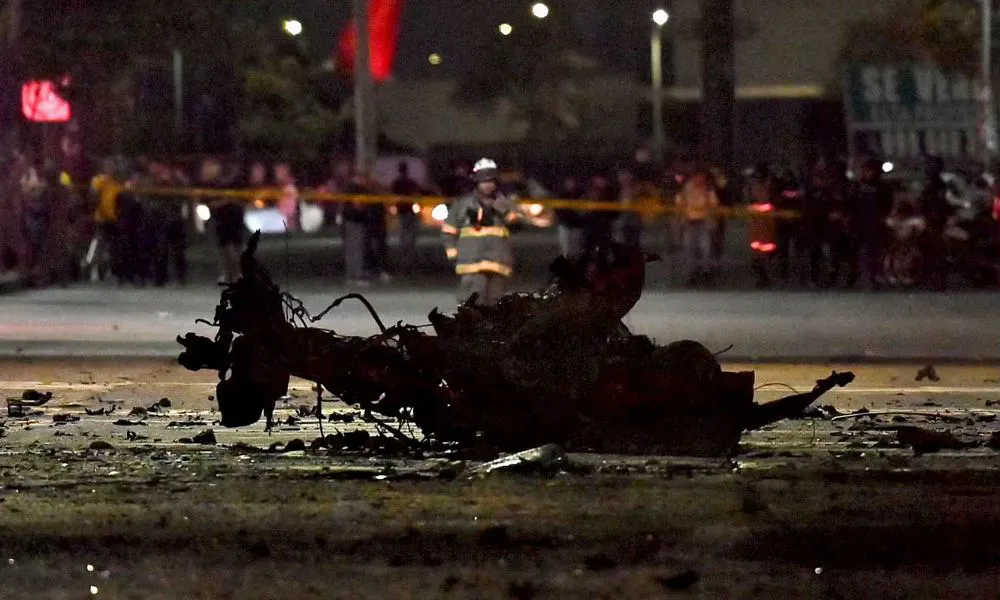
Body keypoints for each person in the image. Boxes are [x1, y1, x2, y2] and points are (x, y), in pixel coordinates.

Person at [442, 158, 520, 305]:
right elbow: (448, 229)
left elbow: (517, 225)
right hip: (472, 261)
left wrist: (503, 210)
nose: (488, 184)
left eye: (491, 181)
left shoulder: (505, 203)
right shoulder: (463, 204)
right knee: (473, 301)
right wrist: (452, 252)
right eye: (484, 181)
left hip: (498, 262)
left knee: (496, 304)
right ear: (476, 182)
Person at [850, 158, 894, 288]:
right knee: (856, 251)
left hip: (875, 223)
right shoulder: (858, 186)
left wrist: (883, 217)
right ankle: (855, 276)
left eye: (869, 170)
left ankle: (874, 276)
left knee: (873, 251)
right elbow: (852, 203)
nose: (866, 173)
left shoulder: (882, 187)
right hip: (859, 222)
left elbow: (887, 204)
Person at [674, 169, 720, 285]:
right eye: (698, 176)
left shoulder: (707, 189)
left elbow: (714, 204)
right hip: (690, 222)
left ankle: (706, 273)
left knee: (705, 249)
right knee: (689, 248)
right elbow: (680, 203)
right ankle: (692, 274)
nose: (700, 178)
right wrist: (680, 220)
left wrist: (712, 221)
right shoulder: (686, 188)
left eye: (702, 176)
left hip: (703, 221)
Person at [202, 158, 244, 284]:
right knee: (222, 248)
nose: (207, 170)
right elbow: (209, 203)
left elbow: (238, 199)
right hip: (219, 218)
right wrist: (224, 201)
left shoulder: (230, 181)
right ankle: (226, 273)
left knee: (234, 248)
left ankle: (238, 274)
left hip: (233, 217)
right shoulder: (209, 185)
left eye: (210, 166)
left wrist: (227, 200)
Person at [342, 169, 372, 288]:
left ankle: (351, 276)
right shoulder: (356, 189)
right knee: (356, 250)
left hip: (350, 221)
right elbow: (357, 205)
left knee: (351, 250)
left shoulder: (349, 188)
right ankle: (356, 276)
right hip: (355, 221)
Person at [391, 161, 421, 258]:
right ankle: (409, 250)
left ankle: (405, 250)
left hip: (403, 210)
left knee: (404, 230)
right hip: (409, 210)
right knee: (410, 230)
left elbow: (393, 195)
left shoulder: (397, 183)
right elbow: (417, 194)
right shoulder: (410, 182)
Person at [555, 174, 587, 259]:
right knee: (566, 250)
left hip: (577, 225)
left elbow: (583, 211)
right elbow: (558, 210)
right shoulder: (561, 195)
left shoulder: (581, 194)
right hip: (565, 225)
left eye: (573, 182)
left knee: (577, 249)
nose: (571, 184)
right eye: (569, 182)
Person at [613, 167, 643, 248]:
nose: (622, 178)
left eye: (625, 175)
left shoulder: (637, 189)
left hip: (634, 223)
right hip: (623, 224)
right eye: (621, 176)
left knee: (633, 244)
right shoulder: (617, 191)